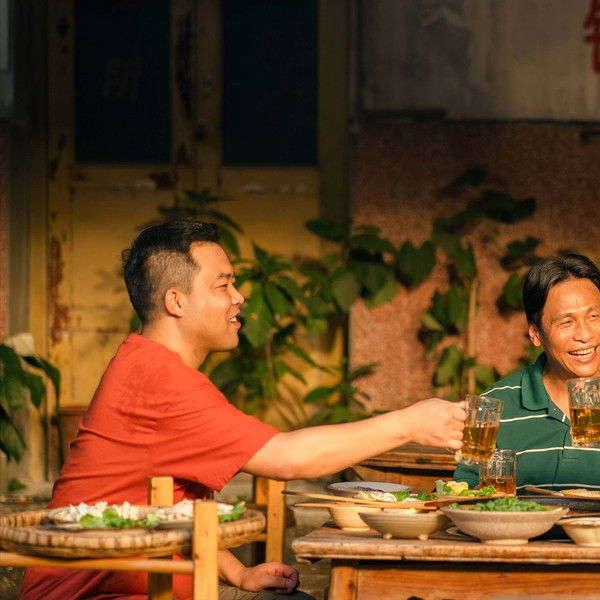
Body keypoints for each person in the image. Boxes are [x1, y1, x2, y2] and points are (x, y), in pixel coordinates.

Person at [20, 220, 466, 600]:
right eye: (223, 285)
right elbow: (287, 458)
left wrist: (237, 573)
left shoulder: (150, 365)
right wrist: (408, 423)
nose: (239, 297)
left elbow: (162, 505)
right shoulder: (159, 380)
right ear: (176, 302)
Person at [454, 253, 600, 493]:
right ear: (535, 334)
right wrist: (481, 494)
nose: (585, 335)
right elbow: (462, 491)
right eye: (567, 322)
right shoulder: (492, 405)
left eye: (594, 317)